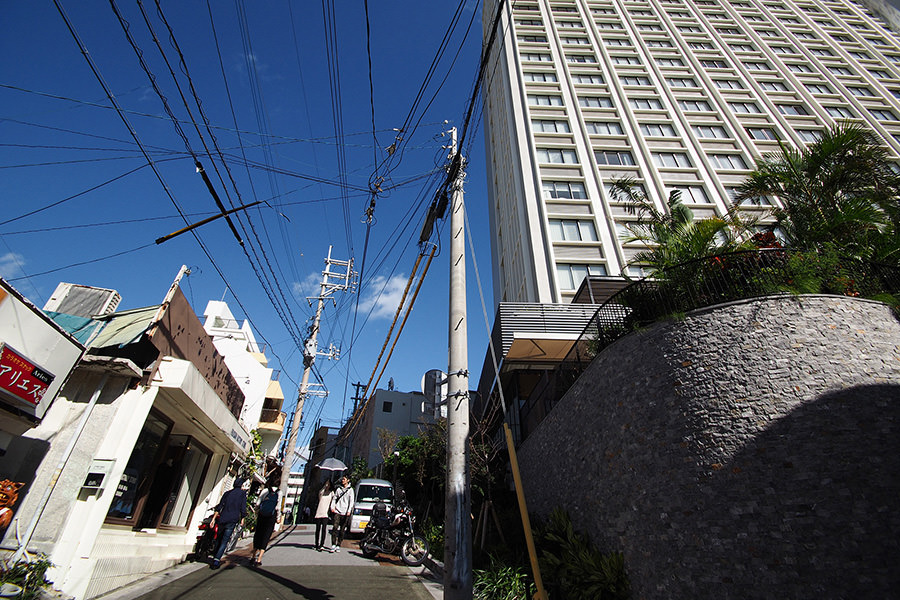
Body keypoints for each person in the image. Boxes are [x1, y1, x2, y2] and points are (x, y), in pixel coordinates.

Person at [211, 477, 247, 569]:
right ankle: (216, 560)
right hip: (232, 520)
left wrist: (213, 519)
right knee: (224, 541)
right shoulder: (242, 494)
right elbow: (243, 508)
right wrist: (242, 518)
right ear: (241, 485)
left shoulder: (227, 493)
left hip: (223, 518)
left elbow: (220, 506)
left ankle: (215, 556)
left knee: (218, 538)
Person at [251, 480, 281, 566]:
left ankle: (253, 557)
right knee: (266, 536)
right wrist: (278, 518)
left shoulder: (265, 491)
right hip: (271, 517)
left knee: (258, 535)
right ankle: (259, 559)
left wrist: (257, 512)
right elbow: (278, 507)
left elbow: (258, 503)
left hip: (261, 515)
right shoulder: (279, 493)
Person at [329, 475, 354, 553]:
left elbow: (351, 501)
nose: (342, 480)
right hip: (337, 510)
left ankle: (338, 544)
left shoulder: (350, 490)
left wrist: (349, 511)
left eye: (344, 479)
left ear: (348, 480)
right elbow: (334, 498)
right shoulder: (339, 489)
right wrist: (332, 507)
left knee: (342, 530)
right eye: (342, 479)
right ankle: (333, 544)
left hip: (345, 512)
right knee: (335, 527)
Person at [313, 479, 334, 551]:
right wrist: (324, 488)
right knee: (318, 529)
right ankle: (316, 544)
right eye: (326, 484)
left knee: (324, 529)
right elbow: (320, 496)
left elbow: (333, 502)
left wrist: (332, 509)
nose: (327, 485)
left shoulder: (331, 493)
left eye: (328, 484)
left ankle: (322, 544)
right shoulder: (321, 492)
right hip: (319, 512)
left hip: (326, 513)